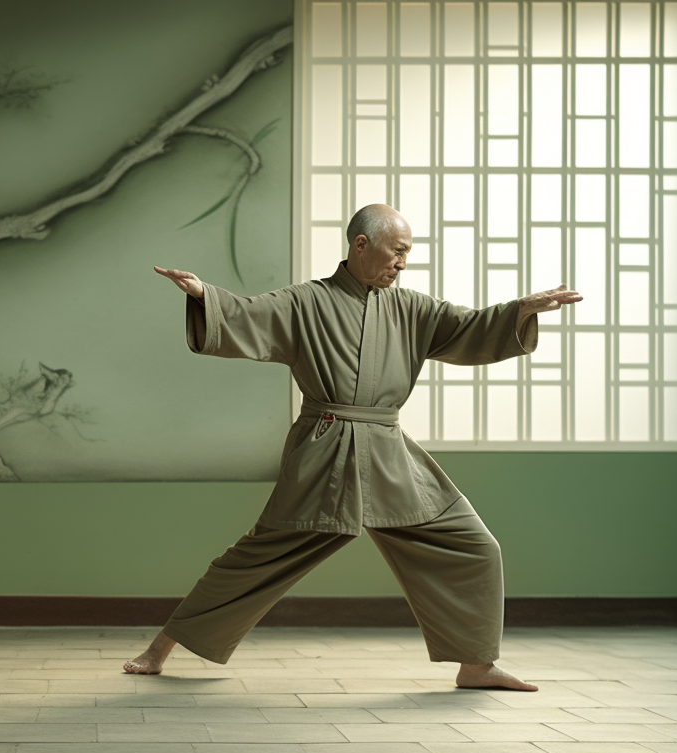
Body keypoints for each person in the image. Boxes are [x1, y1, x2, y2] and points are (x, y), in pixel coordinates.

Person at [130, 203, 582, 691]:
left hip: (388, 449)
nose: (402, 264)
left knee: (472, 545)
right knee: (259, 557)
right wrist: (205, 296)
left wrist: (519, 311)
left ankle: (476, 664)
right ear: (361, 245)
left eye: (408, 254)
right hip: (325, 449)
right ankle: (160, 649)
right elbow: (249, 315)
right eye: (398, 252)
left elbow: (470, 327)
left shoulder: (413, 308)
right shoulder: (306, 302)